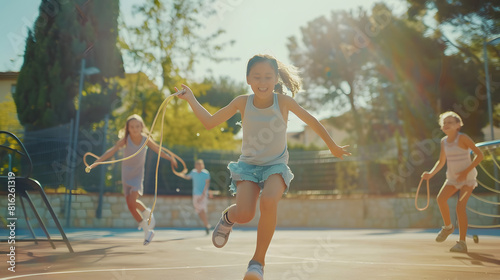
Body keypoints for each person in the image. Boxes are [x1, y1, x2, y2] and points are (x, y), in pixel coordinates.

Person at [177, 54, 350, 280]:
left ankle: (257, 263)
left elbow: (312, 121)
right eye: (257, 76)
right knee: (246, 214)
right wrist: (191, 98)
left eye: (268, 76)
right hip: (248, 167)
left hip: (275, 165)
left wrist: (333, 146)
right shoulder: (242, 102)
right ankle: (229, 217)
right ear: (248, 79)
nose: (262, 81)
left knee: (269, 201)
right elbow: (209, 123)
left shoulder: (284, 102)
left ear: (276, 78)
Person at [89, 114, 178, 245]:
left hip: (137, 175)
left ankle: (148, 218)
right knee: (131, 206)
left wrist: (170, 158)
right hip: (126, 174)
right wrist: (97, 162)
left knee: (132, 200)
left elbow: (158, 150)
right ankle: (147, 229)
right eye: (132, 126)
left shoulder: (145, 139)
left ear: (142, 127)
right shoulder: (125, 139)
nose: (135, 129)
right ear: (128, 128)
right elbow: (112, 151)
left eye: (137, 126)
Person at [422, 111, 483, 253]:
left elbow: (480, 155)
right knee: (440, 199)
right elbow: (441, 161)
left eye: (450, 122)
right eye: (444, 123)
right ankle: (448, 227)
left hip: (467, 179)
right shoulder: (443, 141)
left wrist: (465, 172)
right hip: (452, 179)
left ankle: (462, 243)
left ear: (458, 125)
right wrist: (430, 174)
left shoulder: (463, 138)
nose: (446, 125)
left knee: (460, 208)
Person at [179, 159, 212, 234]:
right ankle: (206, 225)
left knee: (202, 209)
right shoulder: (193, 172)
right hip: (195, 194)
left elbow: (207, 184)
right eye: (197, 165)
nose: (199, 166)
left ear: (202, 165)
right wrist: (181, 174)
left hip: (203, 194)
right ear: (195, 166)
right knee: (199, 211)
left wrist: (203, 195)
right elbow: (187, 177)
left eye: (200, 165)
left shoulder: (206, 173)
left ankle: (206, 225)